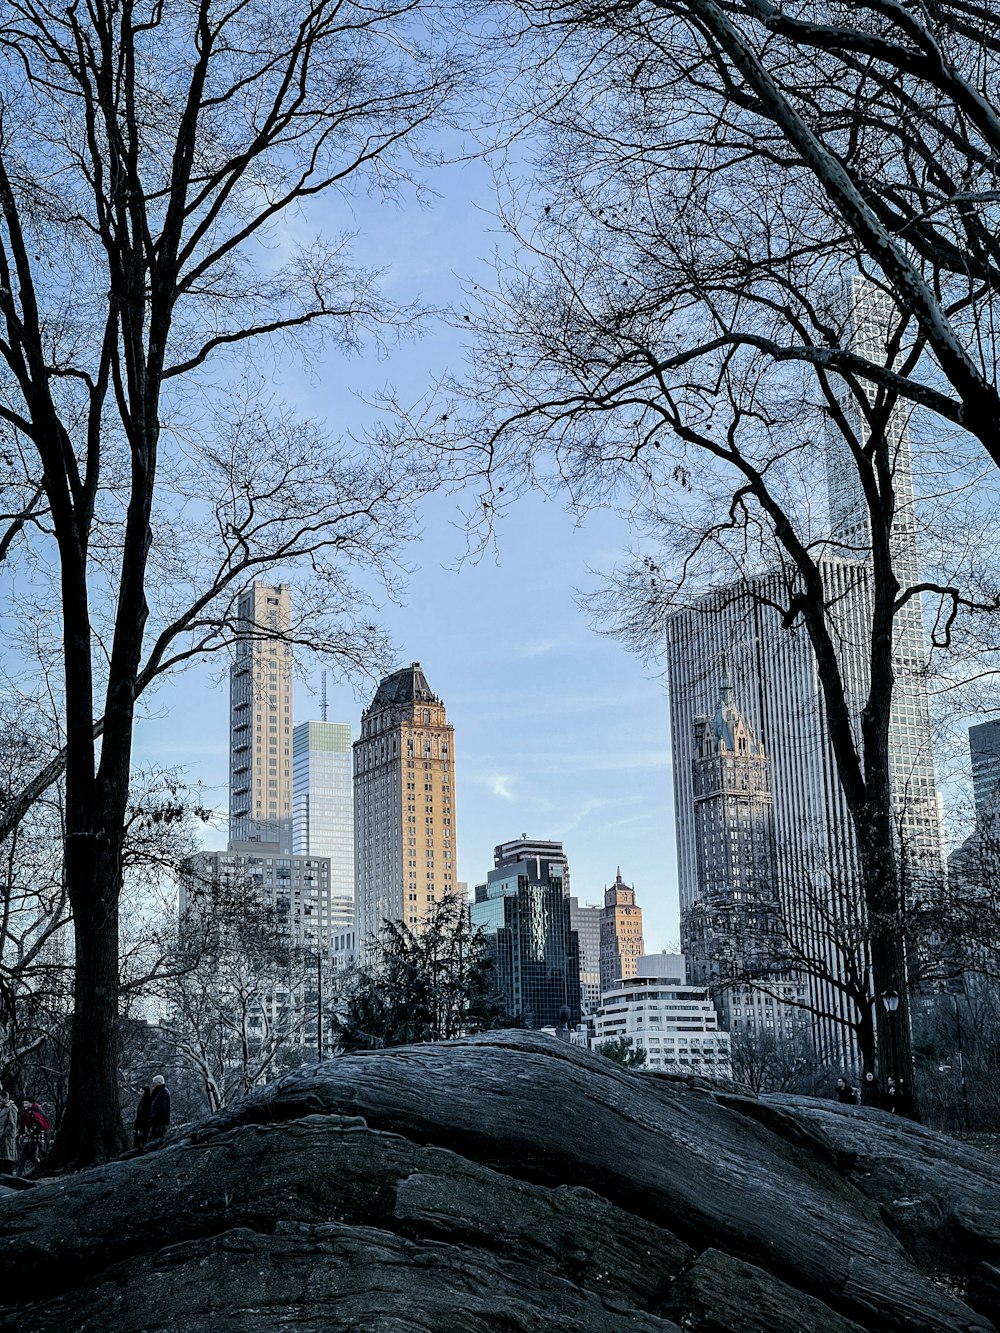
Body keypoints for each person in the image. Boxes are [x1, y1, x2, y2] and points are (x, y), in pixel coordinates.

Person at [18, 1097, 50, 1173]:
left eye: (26, 1103)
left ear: (31, 1103)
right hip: (28, 1136)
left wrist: (28, 1133)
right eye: (23, 1103)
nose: (24, 1105)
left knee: (34, 1155)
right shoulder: (26, 1113)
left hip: (36, 1136)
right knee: (23, 1154)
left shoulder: (36, 1112)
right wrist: (22, 1134)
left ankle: (38, 1170)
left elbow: (39, 1125)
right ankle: (19, 1172)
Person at [147, 1075, 170, 1145]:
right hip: (158, 1122)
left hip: (160, 1122)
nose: (153, 1085)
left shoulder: (163, 1092)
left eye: (155, 1083)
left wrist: (152, 1118)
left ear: (159, 1082)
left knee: (157, 1141)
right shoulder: (160, 1092)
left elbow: (160, 1108)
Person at [0, 1091, 18, 1175]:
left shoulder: (11, 1107)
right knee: (3, 1158)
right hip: (2, 1137)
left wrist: (5, 1133)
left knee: (8, 1159)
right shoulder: (4, 1107)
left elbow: (12, 1123)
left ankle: (9, 1177)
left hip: (7, 1137)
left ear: (5, 1098)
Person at [133, 1085, 152, 1150]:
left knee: (140, 1136)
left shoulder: (146, 1101)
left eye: (142, 1091)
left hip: (143, 1124)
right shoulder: (144, 1100)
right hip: (141, 1124)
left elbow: (142, 1113)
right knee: (140, 1136)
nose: (140, 1093)